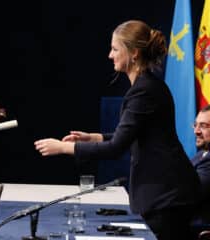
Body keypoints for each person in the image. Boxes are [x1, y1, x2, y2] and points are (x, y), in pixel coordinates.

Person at [34, 20, 200, 240]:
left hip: (167, 194)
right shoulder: (145, 86)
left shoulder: (144, 91)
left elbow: (116, 148)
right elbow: (135, 135)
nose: (109, 55)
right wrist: (94, 137)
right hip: (166, 193)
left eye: (115, 49)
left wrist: (65, 147)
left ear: (134, 53)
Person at [191, 105, 210, 227]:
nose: (196, 131)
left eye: (203, 126)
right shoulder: (201, 154)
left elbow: (187, 192)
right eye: (195, 125)